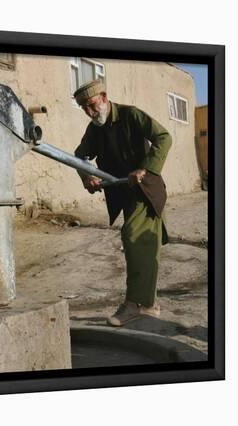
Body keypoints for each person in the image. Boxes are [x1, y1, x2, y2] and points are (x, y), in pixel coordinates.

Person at [72, 80, 172, 327]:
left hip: (145, 189)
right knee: (145, 246)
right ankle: (149, 305)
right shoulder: (95, 129)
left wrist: (145, 169)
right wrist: (87, 175)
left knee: (134, 239)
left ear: (104, 98)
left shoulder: (131, 114)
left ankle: (134, 305)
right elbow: (79, 156)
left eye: (92, 105)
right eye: (84, 108)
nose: (89, 112)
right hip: (124, 193)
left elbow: (164, 137)